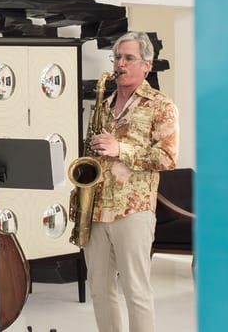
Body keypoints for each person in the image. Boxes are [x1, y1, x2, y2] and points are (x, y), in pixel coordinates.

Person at [84, 31, 179, 332]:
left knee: (136, 292)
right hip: (96, 209)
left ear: (147, 65)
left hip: (133, 210)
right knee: (99, 292)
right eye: (117, 57)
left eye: (128, 58)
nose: (120, 63)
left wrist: (119, 149)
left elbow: (167, 157)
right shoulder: (104, 102)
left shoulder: (161, 105)